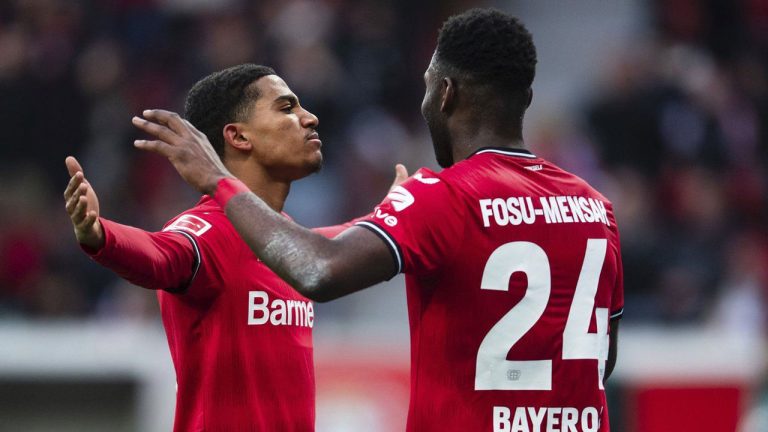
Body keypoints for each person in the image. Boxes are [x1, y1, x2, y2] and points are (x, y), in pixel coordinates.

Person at [133, 8, 624, 432]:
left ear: (446, 93)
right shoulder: (595, 208)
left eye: (428, 87)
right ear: (527, 99)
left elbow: (318, 270)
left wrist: (219, 180)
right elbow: (603, 359)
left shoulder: (446, 196)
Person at [65, 64, 405, 431]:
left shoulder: (285, 240)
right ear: (239, 136)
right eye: (286, 107)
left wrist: (389, 216)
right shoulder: (209, 230)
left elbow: (332, 241)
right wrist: (100, 234)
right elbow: (160, 254)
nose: (309, 118)